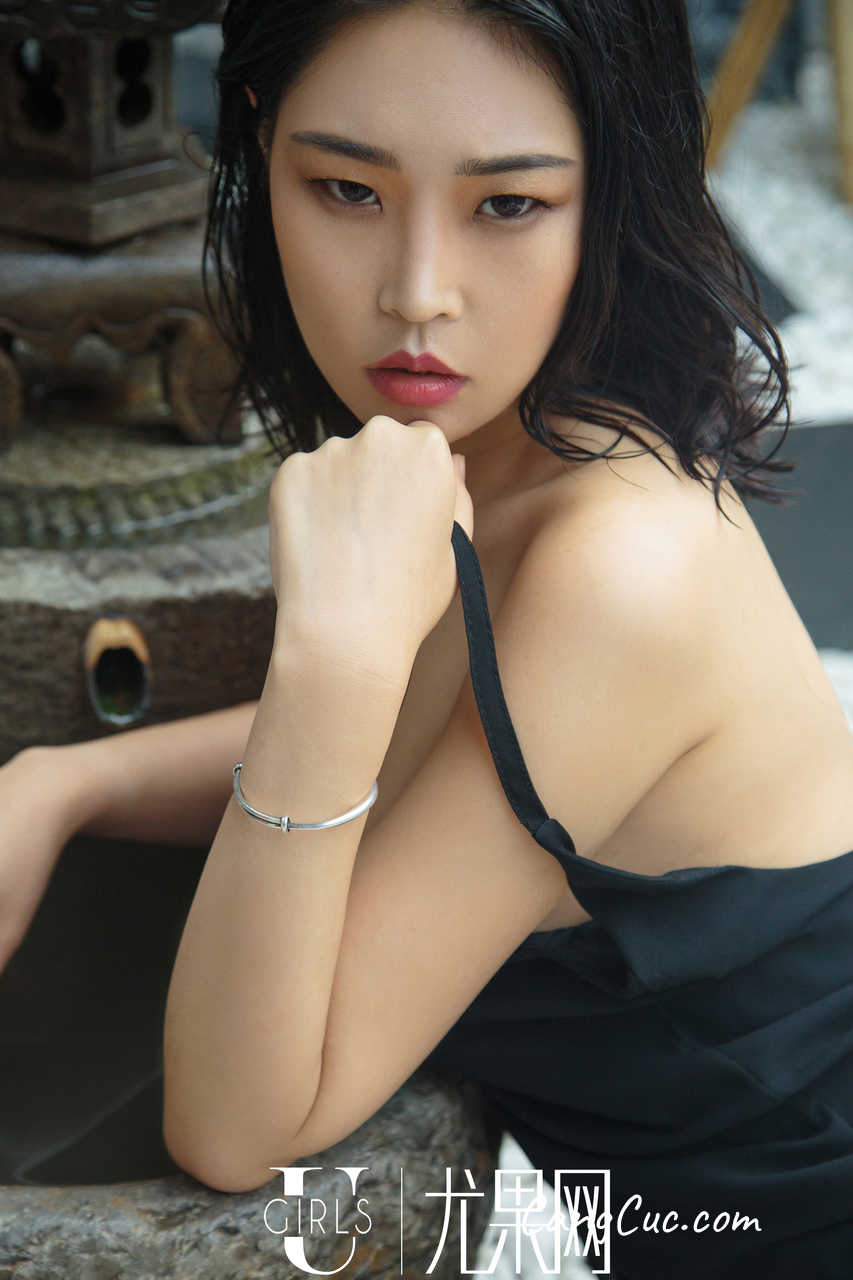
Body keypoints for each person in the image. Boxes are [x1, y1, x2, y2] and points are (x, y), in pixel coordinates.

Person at [3, 0, 853, 1274]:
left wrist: (334, 653)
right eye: (347, 189)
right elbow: (444, 732)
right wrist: (65, 780)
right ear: (257, 141)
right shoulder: (510, 441)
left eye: (507, 203)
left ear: (609, 189)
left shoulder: (624, 568)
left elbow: (236, 1125)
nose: (416, 294)